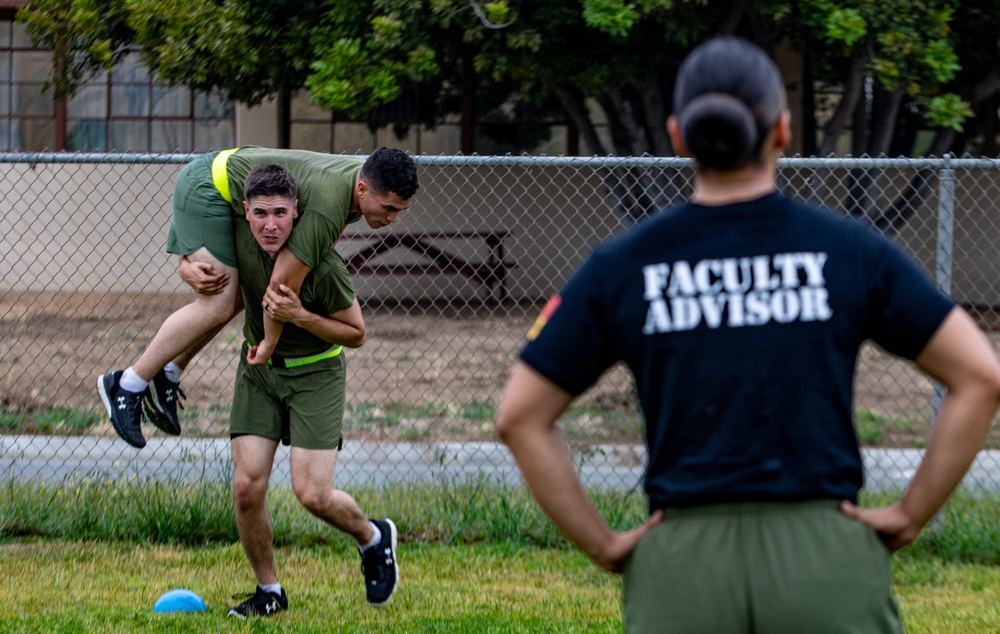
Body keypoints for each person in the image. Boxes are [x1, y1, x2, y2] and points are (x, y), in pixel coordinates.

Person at [494, 36, 1000, 634]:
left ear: (680, 136)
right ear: (782, 131)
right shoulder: (848, 249)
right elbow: (979, 376)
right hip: (825, 563)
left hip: (682, 567)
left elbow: (519, 416)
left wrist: (603, 544)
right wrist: (912, 514)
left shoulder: (624, 264)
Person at [97, 146, 419, 449]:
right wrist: (268, 344)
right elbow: (281, 285)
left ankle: (168, 373)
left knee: (237, 296)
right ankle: (127, 384)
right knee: (219, 302)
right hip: (210, 185)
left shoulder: (357, 181)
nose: (393, 219)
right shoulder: (328, 205)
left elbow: (311, 258)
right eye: (389, 208)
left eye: (400, 211)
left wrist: (187, 259)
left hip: (227, 184)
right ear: (362, 190)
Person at [224, 163, 398, 618]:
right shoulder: (239, 239)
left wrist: (299, 316)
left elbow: (356, 334)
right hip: (258, 370)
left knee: (312, 494)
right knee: (246, 486)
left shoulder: (322, 264)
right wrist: (188, 264)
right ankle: (270, 592)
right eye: (260, 213)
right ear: (245, 213)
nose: (270, 224)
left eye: (281, 213)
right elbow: (198, 250)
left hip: (316, 375)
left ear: (297, 212)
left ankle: (373, 537)